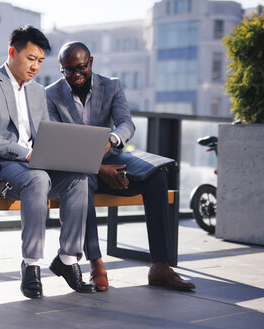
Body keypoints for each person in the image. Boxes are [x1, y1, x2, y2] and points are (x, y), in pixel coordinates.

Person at [45, 41, 196, 292]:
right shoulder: (51, 94)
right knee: (83, 182)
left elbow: (126, 123)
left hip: (112, 158)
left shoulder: (111, 85)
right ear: (62, 69)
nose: (75, 75)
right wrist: (98, 168)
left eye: (81, 68)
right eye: (68, 71)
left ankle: (160, 266)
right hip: (77, 167)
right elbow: (57, 142)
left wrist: (111, 139)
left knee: (157, 176)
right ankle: (96, 263)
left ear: (90, 62)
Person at [0, 27, 96, 298]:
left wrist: (61, 152)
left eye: (40, 61)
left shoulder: (38, 92)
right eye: (31, 58)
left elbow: (45, 132)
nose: (35, 66)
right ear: (12, 52)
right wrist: (26, 154)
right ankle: (31, 264)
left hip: (32, 163)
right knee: (38, 178)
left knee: (78, 179)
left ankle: (68, 259)